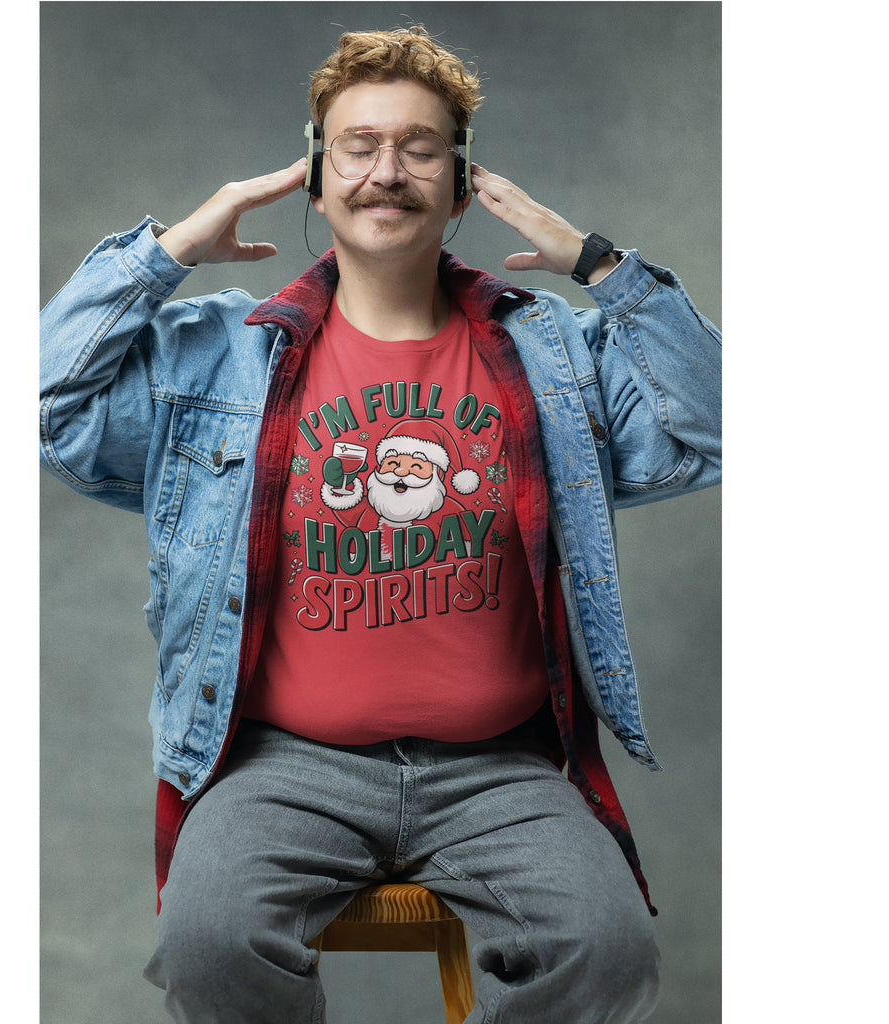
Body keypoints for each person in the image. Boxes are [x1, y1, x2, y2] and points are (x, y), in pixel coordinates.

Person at [40, 25, 720, 1024]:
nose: (386, 171)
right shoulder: (223, 358)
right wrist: (170, 248)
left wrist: (602, 266)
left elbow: (716, 422)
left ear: (461, 182)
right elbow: (44, 403)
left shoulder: (551, 358)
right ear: (316, 177)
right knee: (206, 943)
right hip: (283, 764)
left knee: (607, 951)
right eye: (357, 145)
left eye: (420, 146)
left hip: (500, 766)